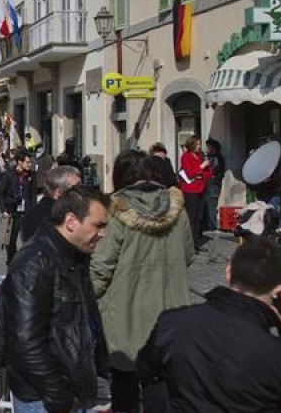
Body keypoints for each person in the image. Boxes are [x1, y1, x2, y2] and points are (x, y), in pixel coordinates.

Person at [137, 234, 281, 413]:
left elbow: (145, 369)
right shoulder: (277, 354)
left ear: (228, 271)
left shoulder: (174, 322)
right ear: (279, 290)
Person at [89, 150, 193, 413]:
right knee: (164, 385)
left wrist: (87, 297)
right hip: (172, 310)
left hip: (125, 313)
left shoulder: (115, 210)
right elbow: (188, 254)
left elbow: (101, 266)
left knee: (125, 386)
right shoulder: (177, 209)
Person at [4, 186, 110, 413]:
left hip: (72, 391)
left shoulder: (74, 257)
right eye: (98, 226)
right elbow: (24, 341)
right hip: (45, 400)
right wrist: (59, 395)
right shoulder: (34, 263)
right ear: (71, 221)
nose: (103, 234)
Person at [20, 164, 80, 244]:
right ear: (59, 192)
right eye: (76, 188)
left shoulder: (33, 211)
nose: (81, 192)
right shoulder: (59, 217)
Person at [0, 151, 35, 264]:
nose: (29, 164)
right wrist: (3, 210)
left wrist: (33, 210)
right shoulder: (9, 175)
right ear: (20, 162)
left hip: (26, 212)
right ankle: (12, 260)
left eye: (30, 162)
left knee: (29, 238)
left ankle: (26, 260)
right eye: (27, 162)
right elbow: (1, 194)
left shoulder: (32, 176)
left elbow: (33, 195)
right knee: (10, 239)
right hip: (13, 211)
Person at [177, 134, 210, 248]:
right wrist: (201, 168)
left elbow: (208, 173)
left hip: (201, 188)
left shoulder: (200, 156)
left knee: (199, 217)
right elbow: (190, 173)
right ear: (192, 144)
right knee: (191, 217)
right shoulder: (186, 157)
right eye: (198, 144)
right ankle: (189, 243)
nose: (200, 146)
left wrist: (202, 173)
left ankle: (196, 242)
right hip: (190, 190)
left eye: (200, 144)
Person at [203, 138, 225, 231]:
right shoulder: (209, 157)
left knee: (211, 205)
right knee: (207, 205)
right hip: (208, 184)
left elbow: (214, 170)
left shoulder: (217, 158)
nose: (207, 149)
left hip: (213, 185)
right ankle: (208, 224)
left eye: (208, 147)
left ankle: (212, 225)